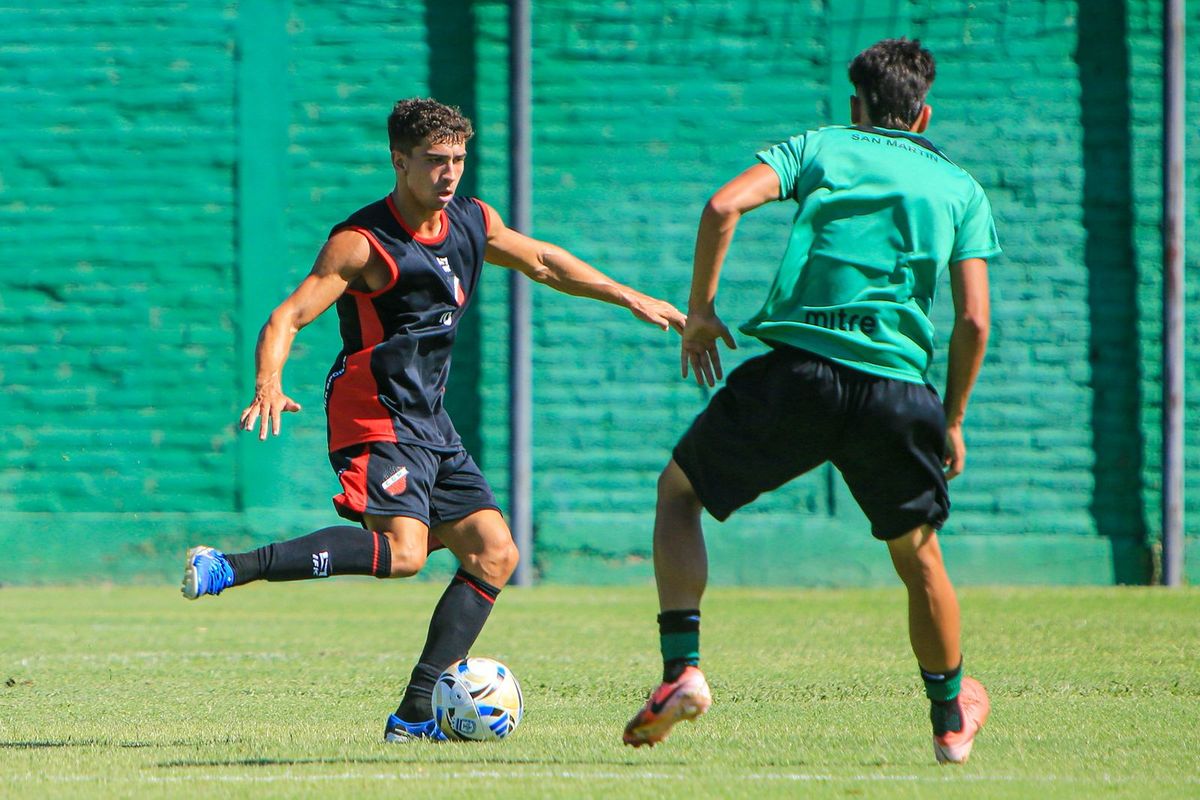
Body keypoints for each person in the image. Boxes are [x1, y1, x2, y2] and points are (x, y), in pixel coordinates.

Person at [180, 97, 685, 742]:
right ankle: (232, 566)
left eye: (458, 159)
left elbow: (542, 260)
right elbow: (288, 317)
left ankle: (416, 716)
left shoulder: (473, 220)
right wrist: (268, 382)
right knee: (405, 553)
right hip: (373, 410)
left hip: (429, 418)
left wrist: (627, 294)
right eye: (435, 160)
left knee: (494, 554)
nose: (449, 174)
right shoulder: (362, 243)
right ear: (399, 161)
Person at [622, 38, 1000, 765]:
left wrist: (701, 312)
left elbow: (723, 204)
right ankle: (951, 719)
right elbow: (975, 321)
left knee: (679, 493)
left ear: (857, 106)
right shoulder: (961, 188)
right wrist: (952, 419)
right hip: (897, 391)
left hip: (799, 374)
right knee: (919, 557)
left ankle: (682, 671)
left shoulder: (823, 145)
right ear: (923, 114)